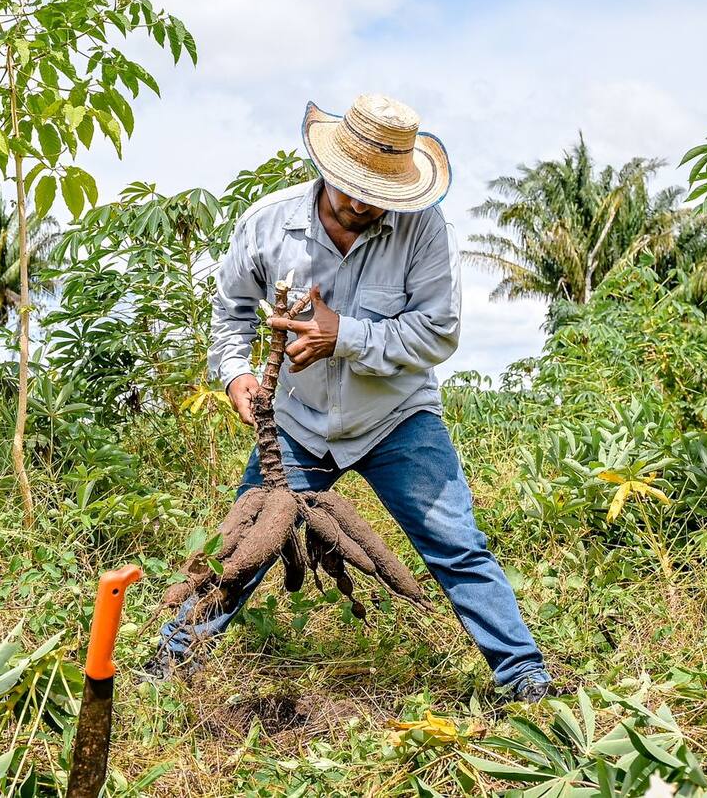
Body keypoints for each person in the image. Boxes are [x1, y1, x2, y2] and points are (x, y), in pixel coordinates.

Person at [152, 94, 552, 702]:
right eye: (350, 188)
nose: (361, 203)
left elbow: (439, 331)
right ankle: (173, 661)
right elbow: (231, 310)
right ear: (328, 166)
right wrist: (236, 375)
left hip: (395, 418)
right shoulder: (267, 224)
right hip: (296, 421)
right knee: (246, 545)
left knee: (456, 544)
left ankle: (522, 675)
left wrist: (344, 336)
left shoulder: (423, 234)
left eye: (378, 195)